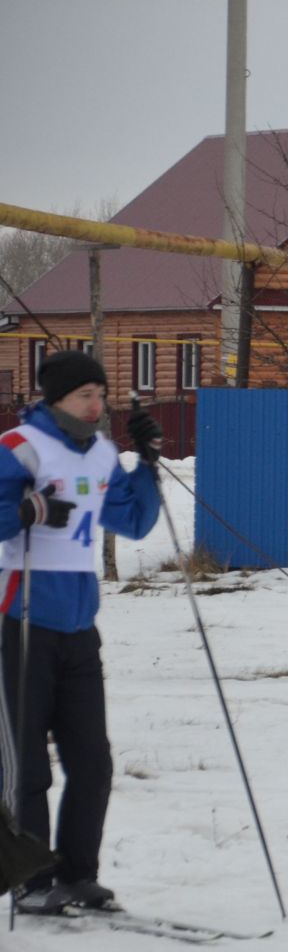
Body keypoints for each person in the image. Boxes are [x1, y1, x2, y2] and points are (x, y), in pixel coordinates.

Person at [7, 350, 163, 914]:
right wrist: (28, 510)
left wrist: (147, 463)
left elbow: (134, 521)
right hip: (22, 622)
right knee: (26, 768)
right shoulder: (20, 445)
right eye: (84, 396)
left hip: (79, 626)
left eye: (101, 395)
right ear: (55, 400)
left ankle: (79, 875)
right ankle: (32, 881)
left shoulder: (101, 452)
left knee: (92, 761)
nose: (97, 406)